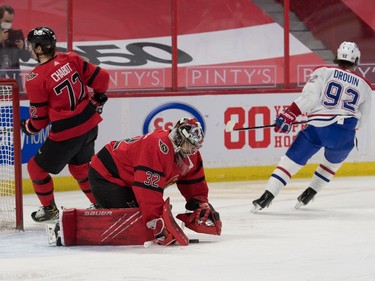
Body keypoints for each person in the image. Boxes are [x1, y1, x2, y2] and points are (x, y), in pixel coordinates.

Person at [252, 41, 372, 213]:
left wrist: (290, 113)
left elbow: (310, 98)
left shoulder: (323, 72)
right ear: (356, 60)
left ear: (337, 57)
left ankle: (266, 197)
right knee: (331, 165)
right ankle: (310, 193)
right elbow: (364, 118)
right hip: (345, 133)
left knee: (290, 162)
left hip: (318, 128)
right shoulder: (365, 85)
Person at [21, 26, 110, 222]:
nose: (28, 49)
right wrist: (99, 98)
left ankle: (49, 209)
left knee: (36, 168)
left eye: (31, 46)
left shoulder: (36, 79)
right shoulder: (71, 58)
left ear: (39, 49)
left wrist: (27, 127)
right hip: (89, 123)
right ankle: (101, 204)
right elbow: (103, 78)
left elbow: (39, 121)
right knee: (80, 168)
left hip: (67, 132)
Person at [88, 117, 222, 245]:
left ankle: (109, 205)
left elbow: (193, 180)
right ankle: (100, 209)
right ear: (178, 137)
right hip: (107, 175)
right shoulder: (157, 146)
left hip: (129, 178)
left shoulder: (191, 153)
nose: (191, 150)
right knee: (135, 222)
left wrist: (200, 202)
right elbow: (147, 189)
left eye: (194, 146)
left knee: (142, 217)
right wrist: (156, 219)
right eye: (187, 144)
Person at [0, 5, 30, 91]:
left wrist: (21, 48)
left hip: (14, 79)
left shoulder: (16, 34)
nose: (8, 23)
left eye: (11, 21)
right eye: (6, 21)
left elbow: (26, 58)